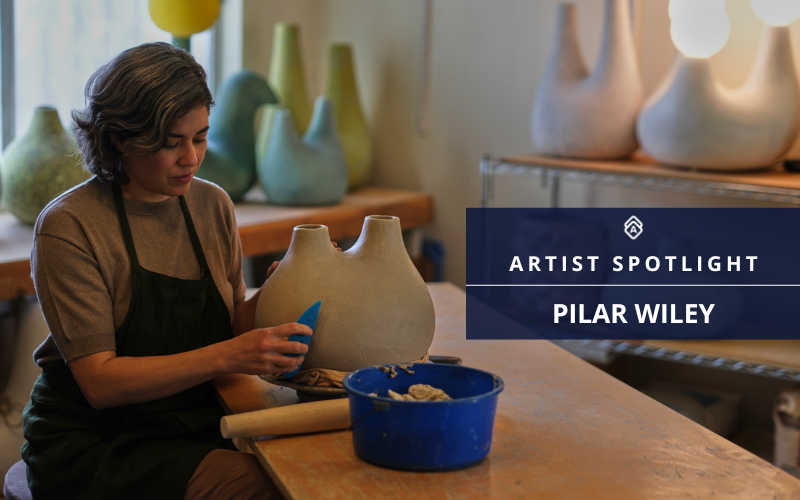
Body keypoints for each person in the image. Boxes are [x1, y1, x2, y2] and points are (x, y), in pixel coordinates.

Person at [21, 42, 325, 500]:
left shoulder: (212, 204)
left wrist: (283, 288)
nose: (192, 158)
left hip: (195, 420)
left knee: (316, 459)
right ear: (120, 138)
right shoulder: (70, 226)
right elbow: (100, 382)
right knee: (276, 484)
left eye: (200, 137)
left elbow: (229, 322)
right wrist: (230, 355)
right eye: (170, 142)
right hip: (97, 442)